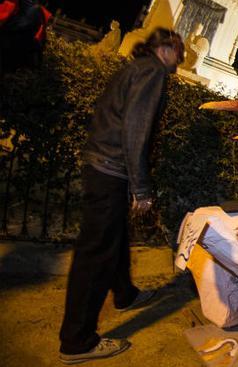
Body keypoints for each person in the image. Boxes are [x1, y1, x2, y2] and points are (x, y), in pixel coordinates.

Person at [59, 27, 184, 364]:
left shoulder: (134, 67)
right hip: (111, 169)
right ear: (168, 48)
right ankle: (77, 341)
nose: (180, 61)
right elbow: (135, 130)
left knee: (114, 237)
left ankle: (125, 294)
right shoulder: (153, 71)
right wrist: (141, 188)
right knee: (96, 254)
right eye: (180, 52)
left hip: (101, 164)